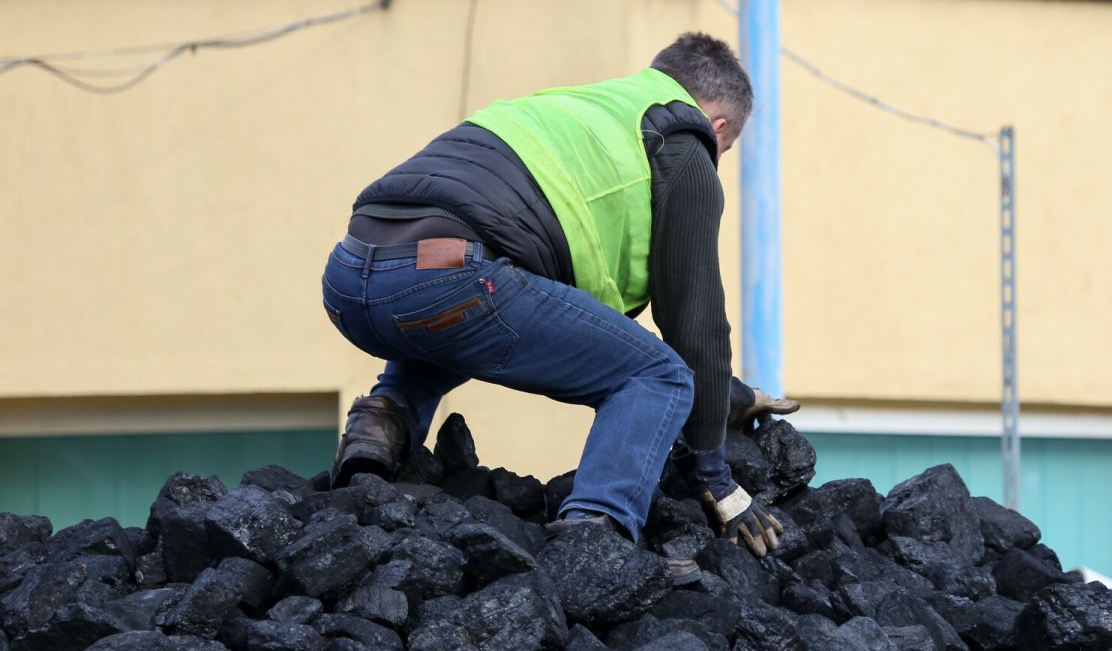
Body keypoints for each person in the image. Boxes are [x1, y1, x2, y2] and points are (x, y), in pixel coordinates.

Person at [320, 32, 797, 560]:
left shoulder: (579, 109)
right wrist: (715, 473)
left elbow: (553, 314)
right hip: (454, 280)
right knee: (657, 376)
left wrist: (719, 395)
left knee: (462, 313)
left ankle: (381, 424)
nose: (716, 158)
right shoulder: (683, 147)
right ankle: (595, 532)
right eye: (724, 150)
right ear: (719, 125)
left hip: (351, 278)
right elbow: (695, 323)